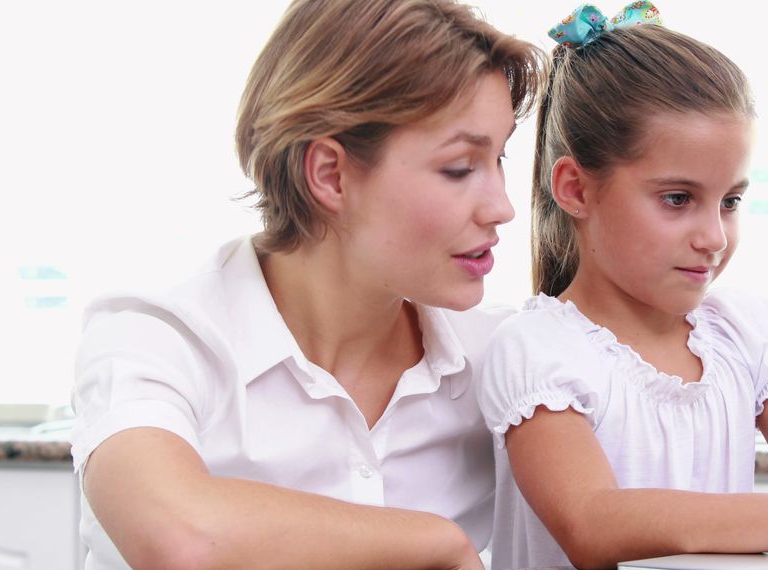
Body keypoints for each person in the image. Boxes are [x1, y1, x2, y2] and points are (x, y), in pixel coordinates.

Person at [69, 1, 542, 568]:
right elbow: (180, 536)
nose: (503, 207)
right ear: (329, 175)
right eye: (460, 167)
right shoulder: (158, 340)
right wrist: (435, 542)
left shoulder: (500, 358)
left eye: (501, 158)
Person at [476, 3, 768, 569]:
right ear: (575, 189)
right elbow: (591, 522)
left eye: (730, 201)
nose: (714, 237)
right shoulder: (538, 350)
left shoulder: (742, 333)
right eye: (677, 199)